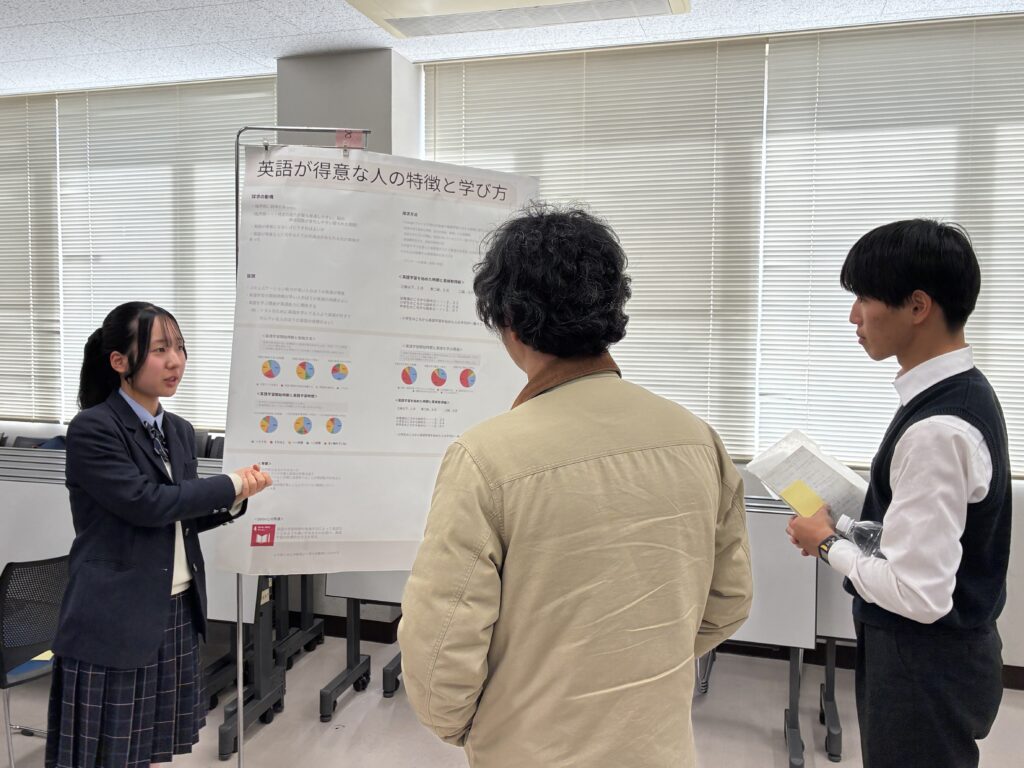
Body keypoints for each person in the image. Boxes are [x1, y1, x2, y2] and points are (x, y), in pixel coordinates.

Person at [399, 205, 753, 768]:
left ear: (509, 319)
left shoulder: (485, 458)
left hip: (531, 747)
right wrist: (644, 667)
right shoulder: (697, 438)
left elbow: (439, 647)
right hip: (661, 745)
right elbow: (729, 600)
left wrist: (474, 724)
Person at [785, 220, 1010, 768]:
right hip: (935, 661)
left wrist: (825, 545)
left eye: (864, 298)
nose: (854, 317)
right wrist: (841, 526)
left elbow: (919, 594)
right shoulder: (959, 394)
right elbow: (921, 540)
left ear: (917, 306)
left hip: (924, 667)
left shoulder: (939, 429)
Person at [46, 302, 272, 768]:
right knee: (108, 753)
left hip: (176, 609)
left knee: (149, 748)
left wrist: (234, 500)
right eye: (159, 350)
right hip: (114, 616)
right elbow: (147, 503)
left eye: (180, 348)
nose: (175, 362)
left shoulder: (178, 431)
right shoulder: (94, 428)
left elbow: (180, 517)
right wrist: (228, 483)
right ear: (119, 361)